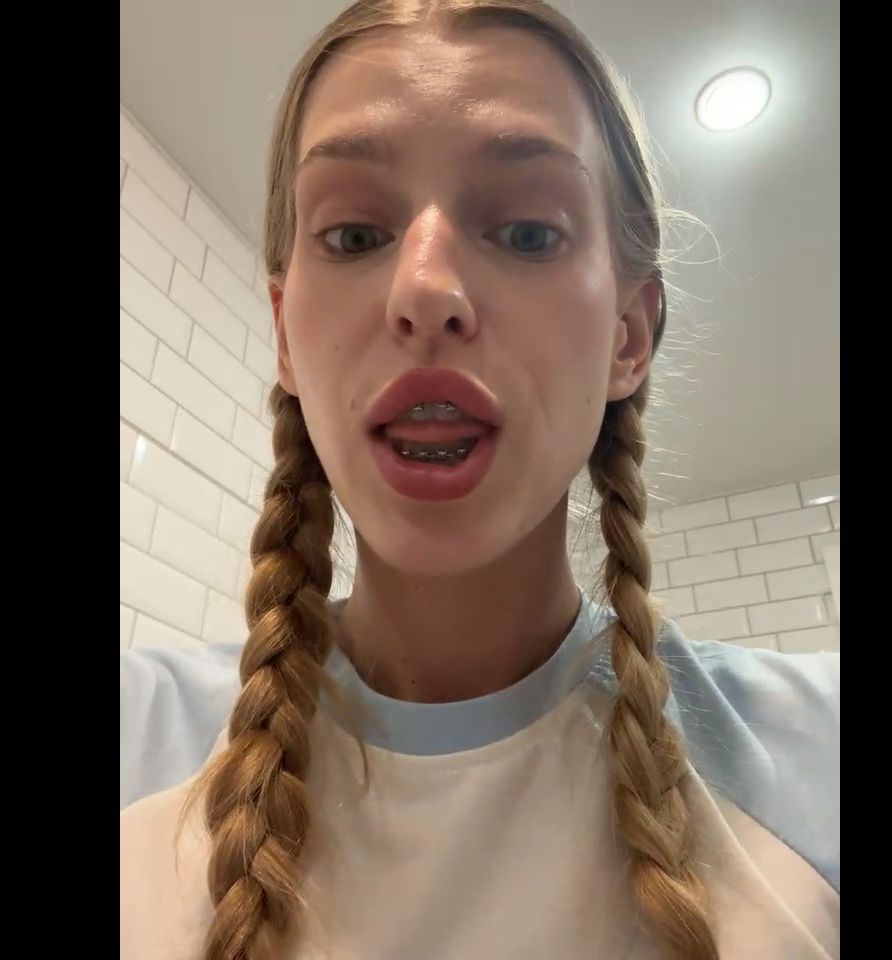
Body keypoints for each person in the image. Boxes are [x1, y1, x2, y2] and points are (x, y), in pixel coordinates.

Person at [119, 2, 839, 958]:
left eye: (530, 233)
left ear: (628, 336)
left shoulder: (819, 757)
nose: (425, 289)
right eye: (354, 236)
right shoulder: (139, 739)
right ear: (286, 333)